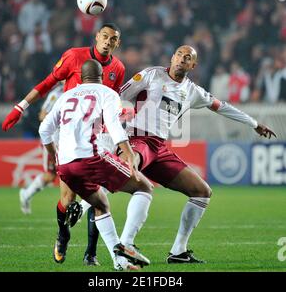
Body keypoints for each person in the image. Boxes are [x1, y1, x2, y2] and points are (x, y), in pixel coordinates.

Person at [115, 45, 276, 263]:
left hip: (159, 148)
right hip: (138, 139)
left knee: (202, 191)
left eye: (188, 57)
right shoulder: (151, 74)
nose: (182, 58)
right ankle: (123, 242)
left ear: (193, 65)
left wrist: (254, 123)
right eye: (179, 54)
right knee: (125, 170)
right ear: (172, 58)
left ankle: (178, 251)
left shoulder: (193, 91)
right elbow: (118, 95)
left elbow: (222, 106)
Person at [2, 23, 131, 266]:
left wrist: (116, 131)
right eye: (104, 36)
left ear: (118, 43)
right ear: (96, 37)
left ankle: (91, 254)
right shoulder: (74, 56)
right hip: (69, 132)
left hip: (96, 134)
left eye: (113, 39)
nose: (108, 42)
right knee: (67, 198)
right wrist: (21, 107)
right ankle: (63, 233)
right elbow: (47, 83)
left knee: (99, 194)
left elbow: (109, 104)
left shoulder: (119, 68)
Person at [39, 59, 153, 270]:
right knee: (145, 187)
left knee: (100, 205)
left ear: (81, 78)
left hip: (65, 164)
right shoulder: (106, 93)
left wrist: (54, 156)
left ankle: (120, 262)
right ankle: (125, 244)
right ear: (102, 76)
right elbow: (112, 123)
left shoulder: (66, 95)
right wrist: (127, 150)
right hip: (91, 157)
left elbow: (44, 130)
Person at [19, 84, 63, 214]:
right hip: (54, 141)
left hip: (69, 141)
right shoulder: (57, 94)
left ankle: (70, 207)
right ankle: (26, 194)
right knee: (50, 176)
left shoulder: (76, 90)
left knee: (72, 173)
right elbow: (42, 115)